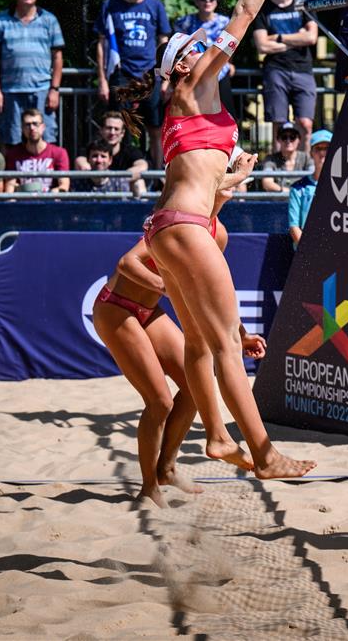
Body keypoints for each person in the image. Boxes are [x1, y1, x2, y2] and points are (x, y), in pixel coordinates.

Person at [122, 0, 314, 480]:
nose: (210, 45)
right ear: (185, 63)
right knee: (226, 342)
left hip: (173, 225)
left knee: (204, 344)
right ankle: (264, 454)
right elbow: (246, 11)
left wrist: (232, 178)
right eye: (198, 45)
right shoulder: (195, 84)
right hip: (183, 226)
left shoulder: (188, 107)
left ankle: (215, 437)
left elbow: (196, 183)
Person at [93, 154, 263, 506]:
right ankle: (148, 488)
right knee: (159, 402)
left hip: (148, 310)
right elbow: (127, 263)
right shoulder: (176, 220)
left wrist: (242, 334)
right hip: (115, 308)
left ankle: (166, 469)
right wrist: (170, 287)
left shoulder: (217, 234)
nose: (226, 188)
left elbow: (217, 298)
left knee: (194, 388)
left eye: (229, 183)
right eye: (221, 181)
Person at [95, 0, 171, 165]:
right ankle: (121, 174)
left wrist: (165, 77)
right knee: (119, 126)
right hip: (121, 73)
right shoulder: (110, 5)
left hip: (150, 75)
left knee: (155, 128)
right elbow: (102, 43)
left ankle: (157, 175)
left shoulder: (155, 5)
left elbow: (164, 42)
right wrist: (102, 80)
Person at [0, 0, 65, 146]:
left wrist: (54, 89)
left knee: (46, 139)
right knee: (11, 139)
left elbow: (58, 56)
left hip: (42, 89)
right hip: (10, 90)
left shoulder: (49, 20)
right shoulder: (1, 20)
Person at [252, 0, 319, 146]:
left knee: (305, 124)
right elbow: (262, 46)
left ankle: (304, 163)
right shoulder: (263, 8)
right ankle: (278, 163)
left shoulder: (304, 3)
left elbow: (311, 38)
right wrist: (296, 40)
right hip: (275, 70)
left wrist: (278, 37)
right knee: (278, 125)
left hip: (303, 69)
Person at [175, 0, 237, 115]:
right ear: (196, 1)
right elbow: (178, 48)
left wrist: (229, 63)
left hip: (220, 72)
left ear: (216, 0)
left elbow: (231, 44)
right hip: (194, 75)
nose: (207, 1)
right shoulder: (185, 22)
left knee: (227, 113)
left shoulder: (225, 22)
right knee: (196, 114)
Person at [4, 107, 70, 193]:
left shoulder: (59, 153)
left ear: (43, 127)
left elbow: (64, 186)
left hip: (50, 200)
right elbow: (10, 187)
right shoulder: (13, 154)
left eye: (35, 124)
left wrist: (54, 193)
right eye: (27, 124)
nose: (32, 128)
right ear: (22, 129)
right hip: (23, 200)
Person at [287, 129, 330, 248]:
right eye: (318, 148)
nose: (322, 153)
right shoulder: (298, 188)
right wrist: (311, 252)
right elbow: (294, 226)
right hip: (307, 252)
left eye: (327, 148)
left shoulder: (344, 187)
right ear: (311, 153)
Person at [98, 110, 150, 197]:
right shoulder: (93, 148)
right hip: (97, 189)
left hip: (123, 191)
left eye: (116, 129)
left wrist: (114, 181)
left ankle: (142, 206)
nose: (112, 132)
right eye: (109, 128)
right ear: (101, 130)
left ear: (122, 133)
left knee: (138, 182)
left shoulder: (130, 151)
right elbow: (81, 163)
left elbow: (142, 166)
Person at [258, 122, 313, 192]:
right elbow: (267, 183)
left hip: (301, 198)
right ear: (278, 140)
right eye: (284, 137)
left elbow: (314, 179)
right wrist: (289, 192)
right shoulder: (270, 159)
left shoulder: (306, 158)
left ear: (299, 140)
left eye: (292, 137)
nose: (288, 141)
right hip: (279, 199)